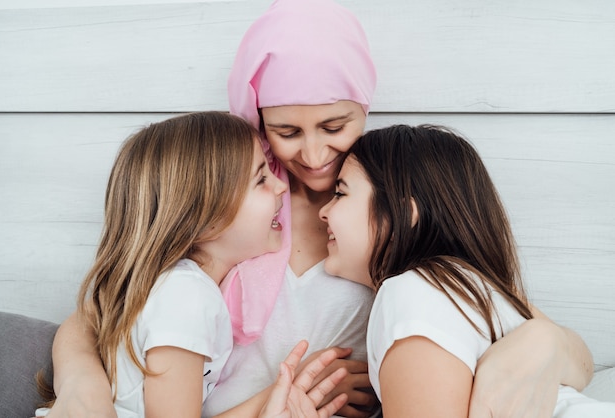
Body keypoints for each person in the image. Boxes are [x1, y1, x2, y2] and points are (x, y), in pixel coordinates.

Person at [48, 1, 595, 417]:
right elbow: (103, 307)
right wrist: (80, 384)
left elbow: (530, 326)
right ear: (259, 122)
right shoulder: (230, 201)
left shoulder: (383, 204)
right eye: (285, 132)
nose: (313, 155)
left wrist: (539, 344)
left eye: (336, 126)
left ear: (364, 106)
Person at [37, 111, 351, 418]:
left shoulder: (175, 289)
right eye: (261, 179)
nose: (281, 186)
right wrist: (279, 396)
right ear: (206, 219)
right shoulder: (188, 296)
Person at [319, 124, 615, 417]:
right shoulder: (466, 287)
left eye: (340, 194)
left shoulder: (413, 291)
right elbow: (581, 362)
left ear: (400, 216)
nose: (323, 211)